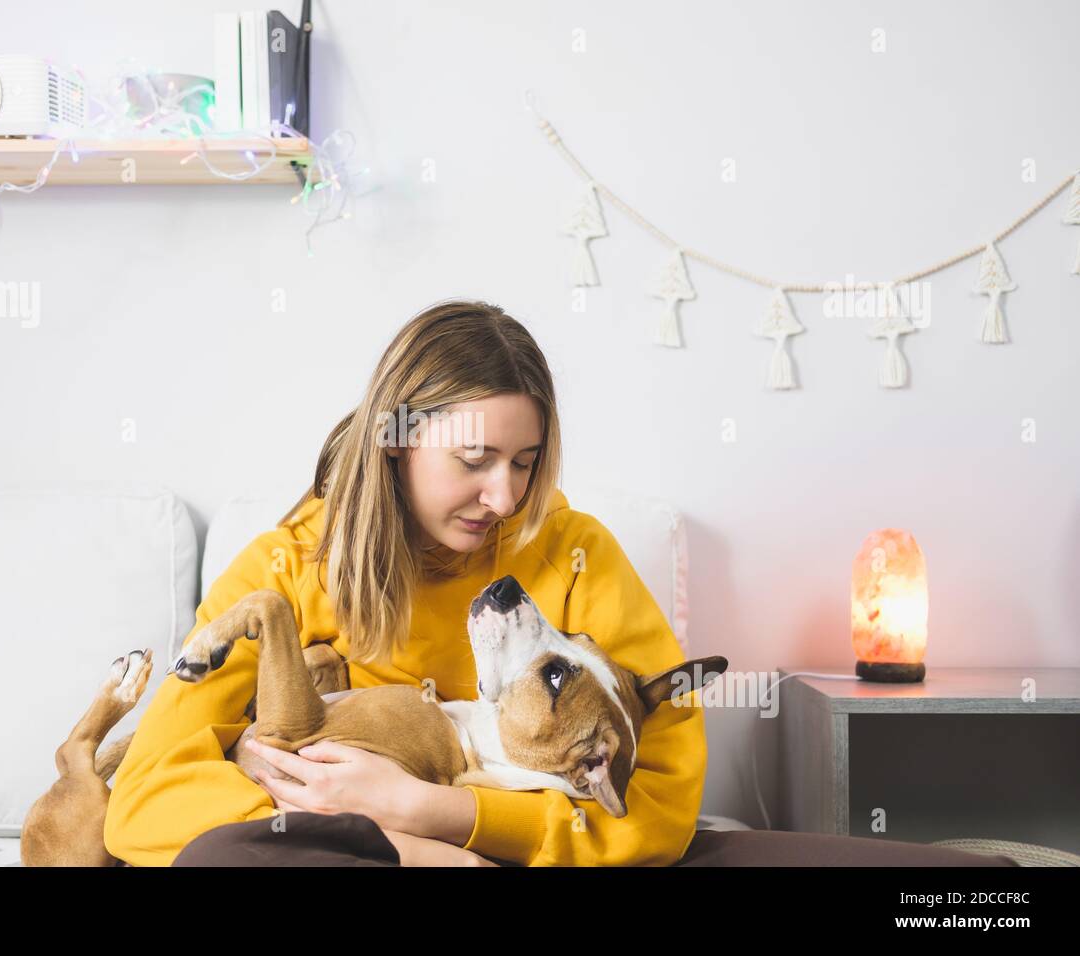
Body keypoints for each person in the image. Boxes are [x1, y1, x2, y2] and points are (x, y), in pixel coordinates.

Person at [103, 299, 1017, 868]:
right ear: (395, 439)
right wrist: (386, 837)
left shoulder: (572, 552)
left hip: (557, 851)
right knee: (232, 861)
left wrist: (443, 813)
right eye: (474, 459)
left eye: (526, 462)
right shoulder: (286, 568)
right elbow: (147, 806)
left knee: (963, 903)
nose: (503, 496)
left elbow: (654, 807)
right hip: (344, 854)